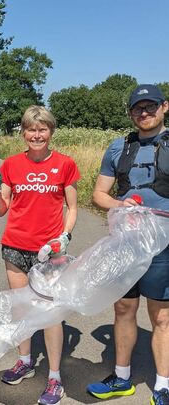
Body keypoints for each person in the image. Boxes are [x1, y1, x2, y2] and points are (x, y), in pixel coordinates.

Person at [0, 106, 79, 405]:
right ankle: (25, 361)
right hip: (15, 246)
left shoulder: (65, 164)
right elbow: (2, 209)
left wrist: (64, 237)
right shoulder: (12, 164)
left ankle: (54, 378)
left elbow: (73, 208)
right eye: (30, 129)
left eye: (42, 129)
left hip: (49, 252)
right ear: (23, 132)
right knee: (21, 308)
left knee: (51, 314)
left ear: (50, 132)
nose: (36, 135)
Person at [86, 84, 169, 405]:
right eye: (138, 108)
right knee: (123, 309)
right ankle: (122, 378)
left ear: (164, 107)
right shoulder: (118, 148)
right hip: (127, 243)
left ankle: (162, 386)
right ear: (131, 113)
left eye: (150, 107)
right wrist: (120, 207)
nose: (144, 113)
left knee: (161, 318)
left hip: (163, 245)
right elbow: (99, 194)